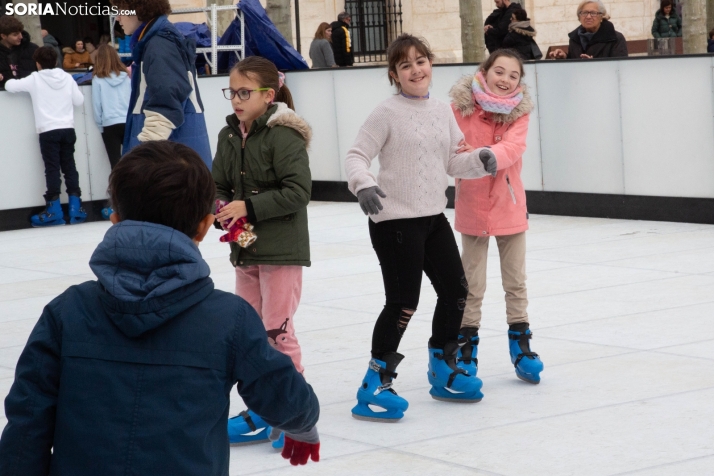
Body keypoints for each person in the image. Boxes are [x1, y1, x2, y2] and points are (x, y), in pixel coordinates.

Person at [0, 140, 321, 475]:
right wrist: (303, 426)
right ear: (203, 225)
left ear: (116, 218)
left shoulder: (66, 312)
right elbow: (289, 402)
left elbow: (26, 428)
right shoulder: (230, 319)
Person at [344, 33, 497, 422]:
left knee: (456, 290)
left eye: (421, 60)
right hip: (394, 220)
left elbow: (454, 162)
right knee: (403, 303)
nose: (416, 69)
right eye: (406, 64)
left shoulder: (443, 110)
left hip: (432, 217)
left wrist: (481, 159)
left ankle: (443, 367)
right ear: (395, 74)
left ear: (431, 64)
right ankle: (374, 383)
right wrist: (363, 185)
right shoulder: (386, 112)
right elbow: (357, 155)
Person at [212, 56, 313, 445]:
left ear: (268, 96)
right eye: (231, 91)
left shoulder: (283, 136)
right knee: (251, 334)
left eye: (244, 92)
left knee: (278, 332)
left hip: (281, 252)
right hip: (245, 247)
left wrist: (248, 207)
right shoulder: (228, 136)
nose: (236, 99)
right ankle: (261, 408)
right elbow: (219, 183)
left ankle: (295, 414)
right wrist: (222, 209)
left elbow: (298, 192)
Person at [449, 49, 544, 386]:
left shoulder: (519, 113)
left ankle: (521, 345)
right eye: (499, 72)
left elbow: (515, 147)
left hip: (509, 203)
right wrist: (473, 162)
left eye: (513, 75)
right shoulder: (461, 108)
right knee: (471, 284)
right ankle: (465, 348)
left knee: (515, 281)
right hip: (472, 203)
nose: (505, 80)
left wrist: (490, 155)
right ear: (485, 72)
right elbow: (452, 149)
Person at [112, 0, 212, 170]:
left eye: (121, 10)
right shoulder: (156, 42)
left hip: (172, 170)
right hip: (175, 163)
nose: (118, 18)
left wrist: (141, 162)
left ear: (139, 9)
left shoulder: (160, 44)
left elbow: (165, 106)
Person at [4, 46, 88, 227]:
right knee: (70, 167)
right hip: (67, 129)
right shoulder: (66, 77)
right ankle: (76, 208)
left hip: (48, 130)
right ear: (56, 61)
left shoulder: (35, 78)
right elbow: (79, 101)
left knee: (52, 169)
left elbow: (10, 86)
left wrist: (6, 78)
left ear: (38, 64)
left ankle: (54, 210)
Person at [92, 44, 131, 219]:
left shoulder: (98, 80)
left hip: (109, 125)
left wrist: (101, 126)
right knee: (133, 163)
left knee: (115, 166)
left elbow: (96, 106)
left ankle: (117, 204)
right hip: (127, 122)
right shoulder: (127, 77)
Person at [548, 1, 627, 59]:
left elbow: (619, 68)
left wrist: (592, 65)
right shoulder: (574, 39)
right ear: (579, 17)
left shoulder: (616, 38)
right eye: (584, 13)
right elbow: (572, 65)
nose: (588, 17)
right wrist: (564, 57)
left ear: (601, 17)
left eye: (593, 13)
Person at [0, 15, 38, 90]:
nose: (20, 37)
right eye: (15, 34)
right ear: (3, 36)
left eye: (20, 32)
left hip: (29, 94)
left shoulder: (33, 49)